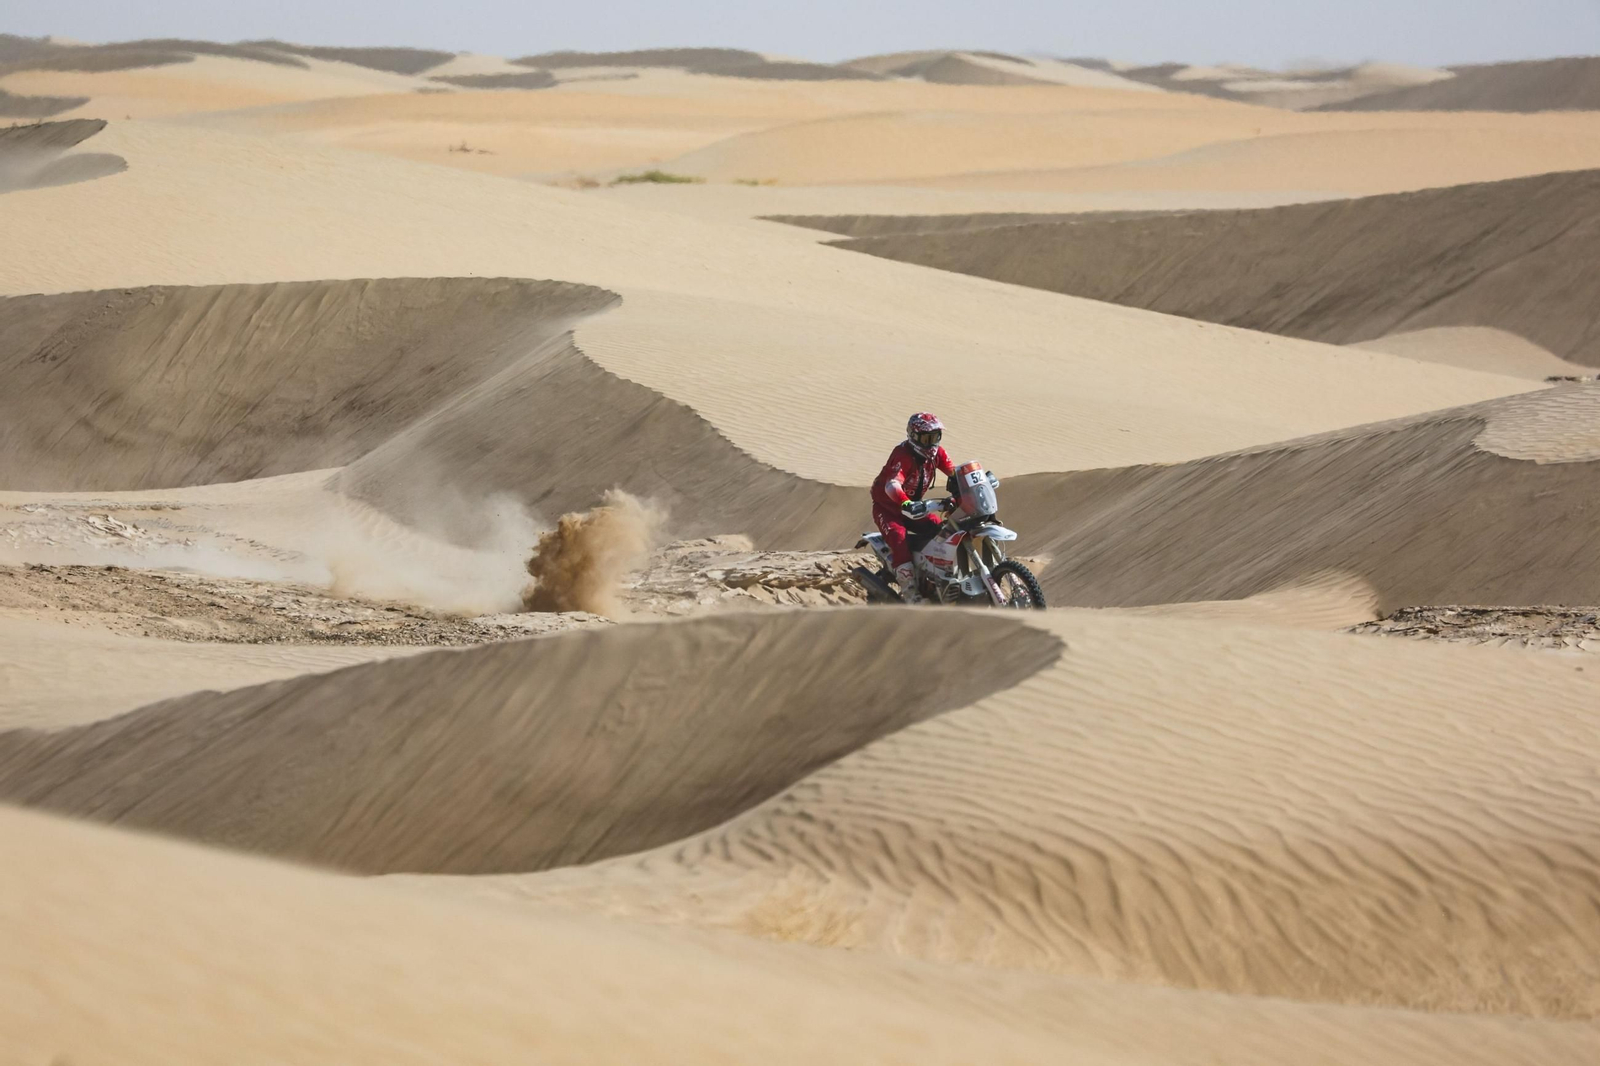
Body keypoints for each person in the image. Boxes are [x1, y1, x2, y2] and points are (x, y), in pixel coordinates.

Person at [870, 412, 954, 603]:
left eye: (936, 437)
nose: (932, 443)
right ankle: (911, 595)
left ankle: (935, 576)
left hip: (916, 509)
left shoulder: (937, 453)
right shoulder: (903, 455)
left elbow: (954, 473)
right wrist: (905, 502)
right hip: (889, 509)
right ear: (914, 436)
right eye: (927, 438)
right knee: (900, 541)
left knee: (942, 530)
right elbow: (892, 485)